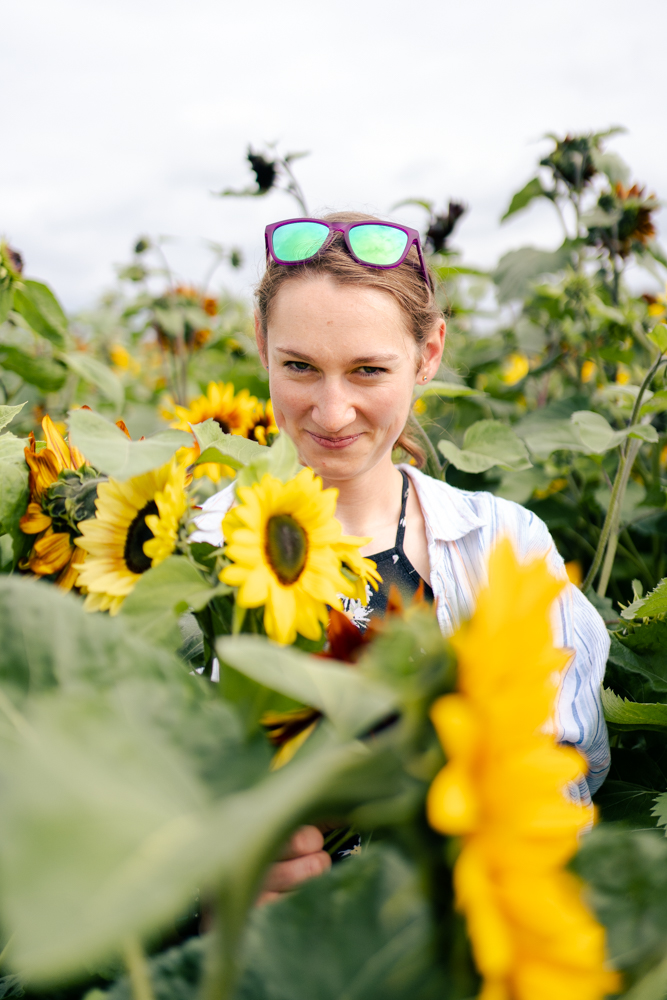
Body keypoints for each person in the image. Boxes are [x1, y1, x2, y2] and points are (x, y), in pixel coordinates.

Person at [192, 211, 610, 905]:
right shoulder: (198, 549)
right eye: (299, 367)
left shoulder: (504, 548)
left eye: (367, 371)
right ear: (261, 345)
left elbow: (559, 785)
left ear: (428, 353)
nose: (331, 413)